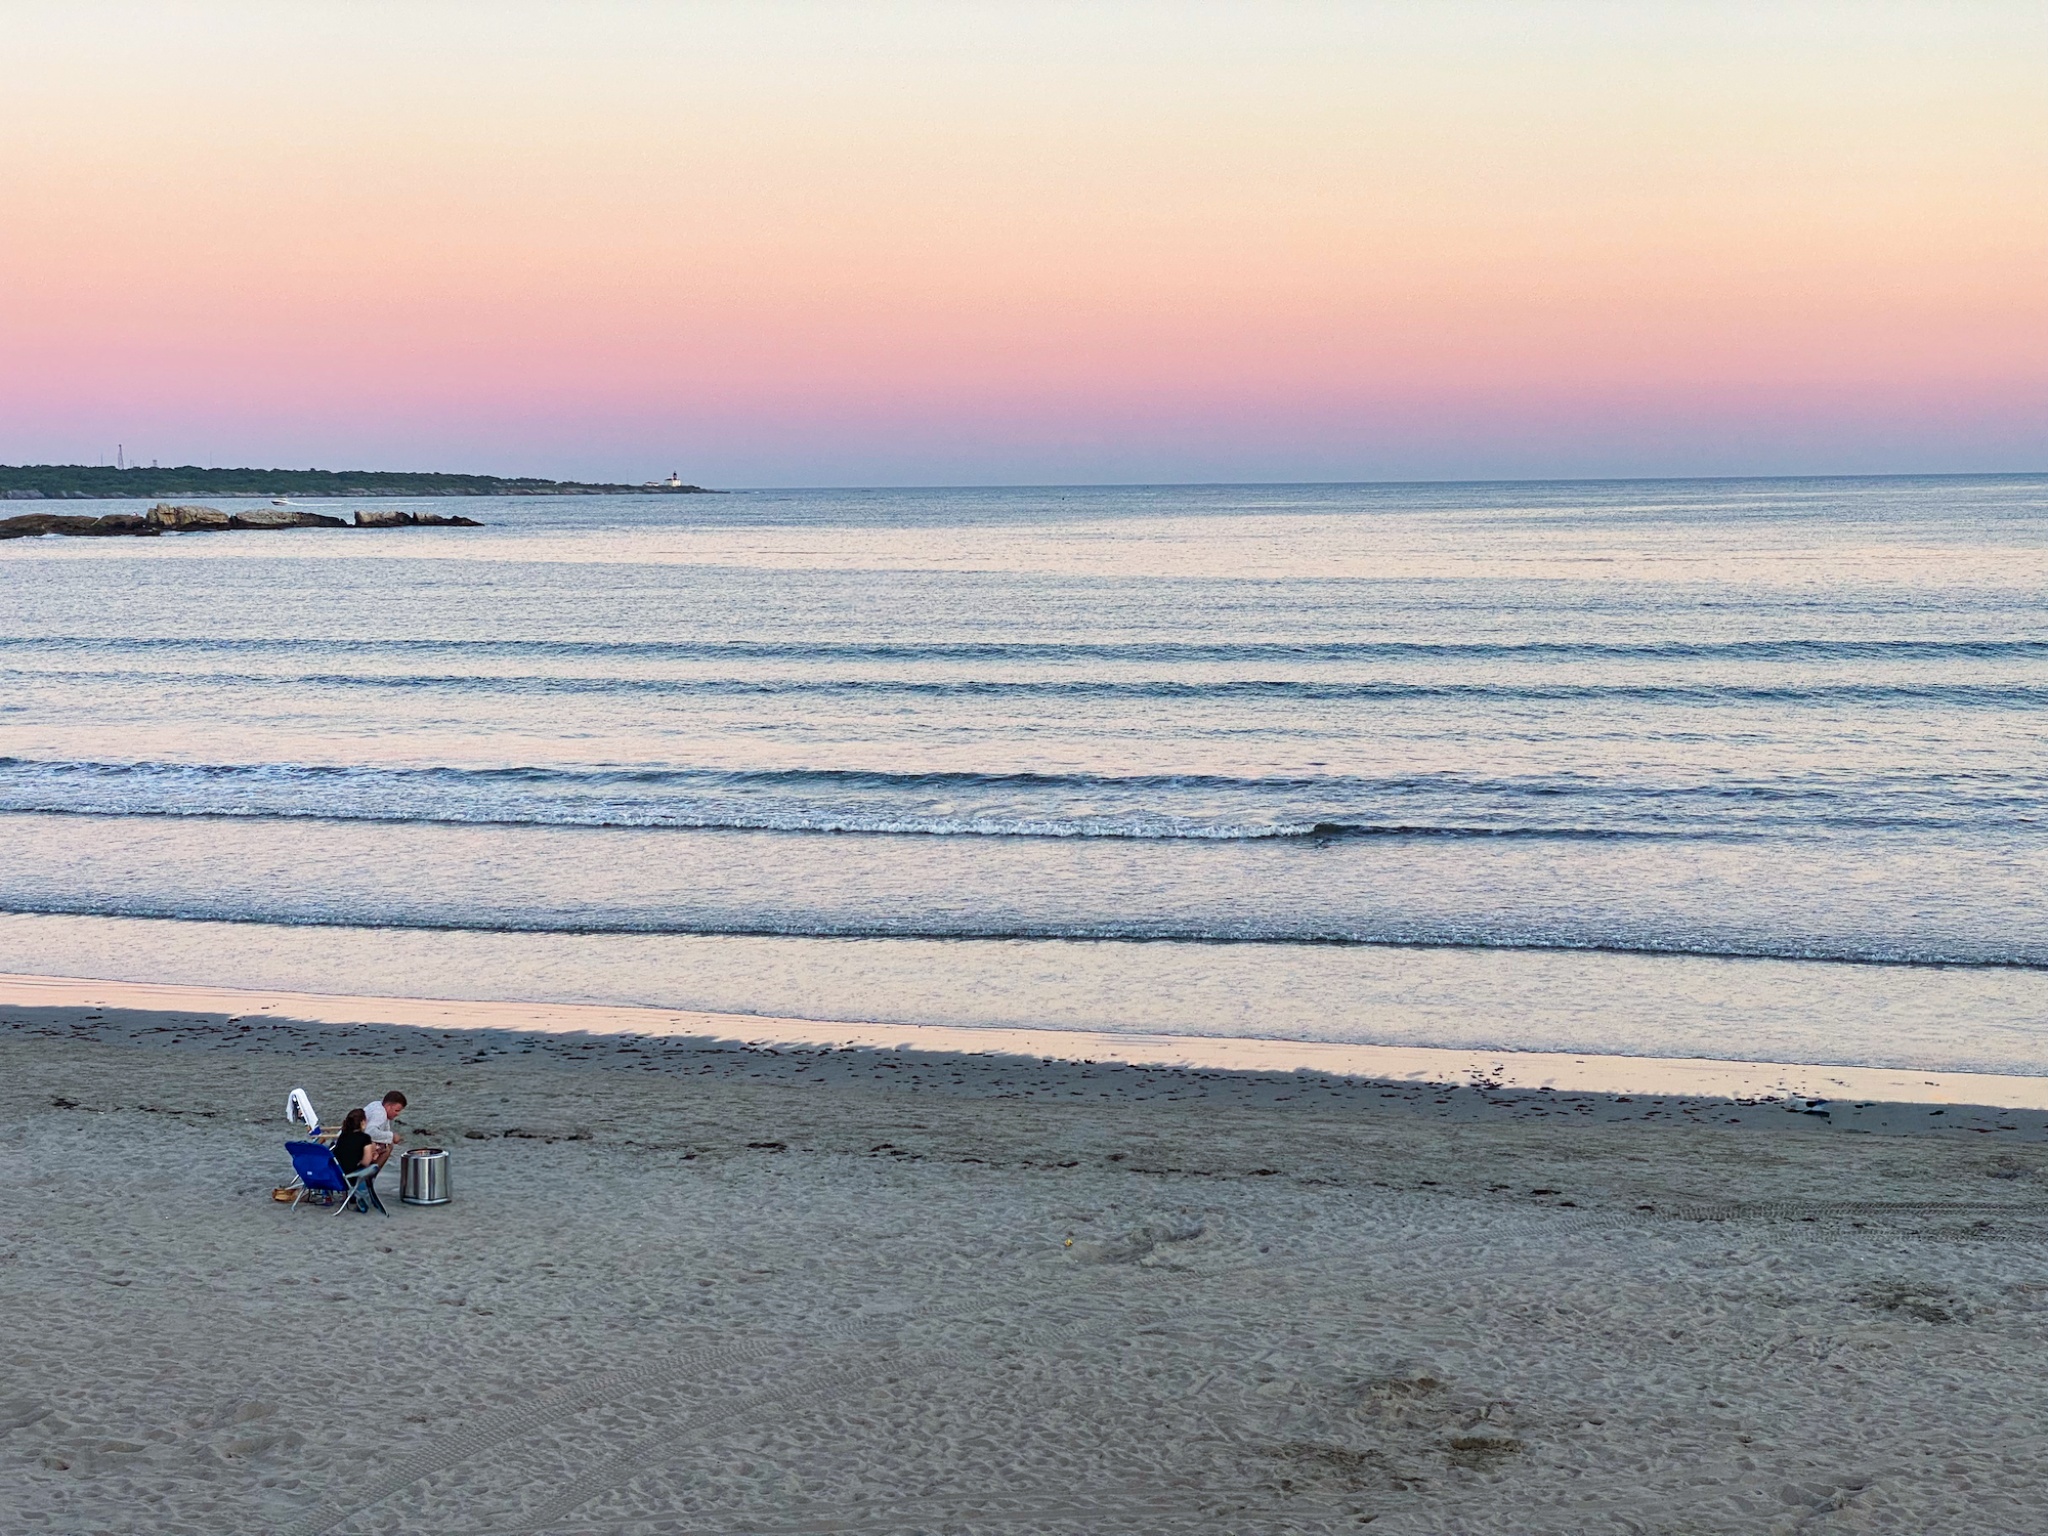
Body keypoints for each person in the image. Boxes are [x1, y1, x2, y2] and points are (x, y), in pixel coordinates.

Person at [360, 1090, 407, 1168]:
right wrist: (392, 1136)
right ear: (388, 1106)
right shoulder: (380, 1114)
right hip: (356, 1145)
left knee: (386, 1144)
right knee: (388, 1147)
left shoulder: (376, 1104)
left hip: (351, 1139)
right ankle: (370, 1175)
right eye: (396, 1110)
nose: (398, 1114)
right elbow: (370, 1132)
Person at [333, 1108, 374, 1175]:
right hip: (352, 1176)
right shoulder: (365, 1138)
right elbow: (366, 1162)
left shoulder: (342, 1136)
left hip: (338, 1174)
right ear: (363, 1122)